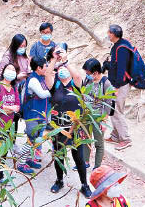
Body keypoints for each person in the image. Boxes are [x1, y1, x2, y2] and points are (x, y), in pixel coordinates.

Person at [48, 52, 92, 197]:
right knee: (59, 155)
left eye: (64, 67)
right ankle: (59, 180)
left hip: (75, 128)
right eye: (59, 68)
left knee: (78, 157)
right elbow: (48, 74)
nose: (62, 69)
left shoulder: (76, 85)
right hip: (58, 128)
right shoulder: (55, 84)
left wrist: (66, 61)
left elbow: (78, 76)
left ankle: (84, 185)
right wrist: (54, 59)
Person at [16, 54, 55, 174]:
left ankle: (27, 159)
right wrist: (55, 92)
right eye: (45, 66)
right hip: (32, 115)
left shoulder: (40, 77)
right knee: (31, 139)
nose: (46, 68)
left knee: (34, 139)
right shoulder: (33, 79)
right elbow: (43, 94)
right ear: (38, 68)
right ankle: (21, 163)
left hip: (39, 114)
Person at [0, 63, 21, 194]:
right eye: (9, 69)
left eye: (13, 70)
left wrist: (8, 108)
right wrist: (10, 108)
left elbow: (17, 106)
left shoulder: (14, 88)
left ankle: (0, 177)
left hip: (9, 126)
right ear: (4, 71)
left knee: (4, 154)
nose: (11, 71)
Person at [103, 24, 133, 149]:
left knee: (116, 111)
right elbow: (116, 65)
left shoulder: (121, 49)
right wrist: (107, 65)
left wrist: (116, 86)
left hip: (120, 84)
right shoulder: (117, 45)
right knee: (114, 110)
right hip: (117, 83)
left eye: (108, 32)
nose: (107, 34)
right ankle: (115, 136)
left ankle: (125, 139)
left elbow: (121, 70)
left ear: (113, 34)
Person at [82, 58, 114, 170]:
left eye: (88, 73)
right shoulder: (87, 80)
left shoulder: (105, 83)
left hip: (98, 117)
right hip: (87, 114)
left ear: (95, 73)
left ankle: (97, 166)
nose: (87, 75)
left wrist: (104, 120)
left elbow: (109, 102)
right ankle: (85, 161)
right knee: (86, 138)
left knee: (98, 143)